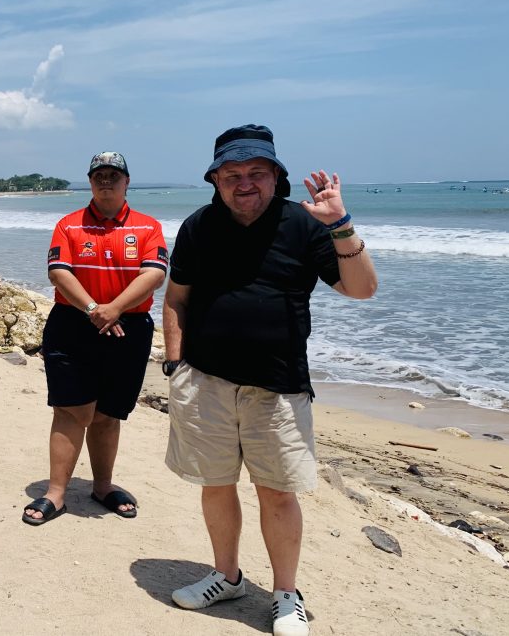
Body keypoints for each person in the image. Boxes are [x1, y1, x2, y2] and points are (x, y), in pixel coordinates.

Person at [162, 124, 377, 636]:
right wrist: (175, 365)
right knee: (215, 486)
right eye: (232, 174)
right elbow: (176, 297)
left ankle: (286, 594)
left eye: (256, 173)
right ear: (215, 180)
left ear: (276, 177)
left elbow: (363, 288)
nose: (244, 183)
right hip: (205, 383)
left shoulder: (303, 225)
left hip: (278, 387)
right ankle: (227, 576)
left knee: (277, 492)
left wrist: (340, 224)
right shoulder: (198, 227)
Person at [22, 152, 168, 526]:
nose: (106, 181)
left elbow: (154, 274)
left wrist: (114, 308)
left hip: (128, 328)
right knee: (71, 409)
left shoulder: (148, 227)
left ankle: (102, 486)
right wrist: (94, 310)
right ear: (90, 182)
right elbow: (58, 272)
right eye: (99, 175)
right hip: (73, 323)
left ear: (126, 181)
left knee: (108, 414)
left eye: (113, 175)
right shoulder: (68, 226)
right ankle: (56, 493)